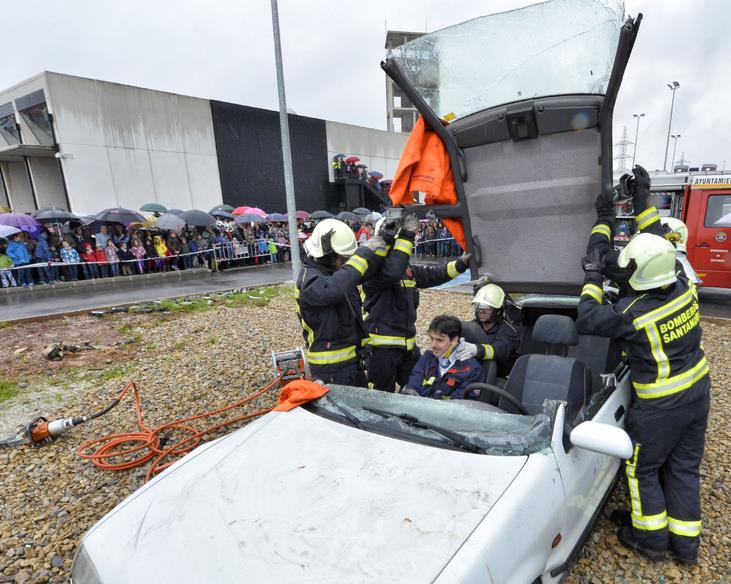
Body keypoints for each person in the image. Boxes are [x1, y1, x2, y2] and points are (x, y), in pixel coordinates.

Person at [576, 166, 710, 566]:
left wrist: (593, 275)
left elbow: (587, 317)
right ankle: (686, 548)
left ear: (638, 278)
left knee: (642, 468)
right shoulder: (683, 284)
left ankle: (648, 540)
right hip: (697, 392)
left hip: (660, 405)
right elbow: (656, 244)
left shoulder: (632, 314)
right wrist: (638, 201)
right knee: (684, 468)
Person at [363, 214, 472, 392]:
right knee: (380, 398)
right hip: (381, 350)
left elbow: (434, 274)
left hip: (407, 347)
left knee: (418, 389)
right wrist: (406, 235)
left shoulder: (408, 270)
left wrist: (460, 264)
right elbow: (392, 273)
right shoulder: (373, 270)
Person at [295, 218, 386, 386]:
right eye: (343, 259)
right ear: (327, 255)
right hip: (329, 369)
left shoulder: (337, 275)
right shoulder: (310, 281)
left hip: (351, 362)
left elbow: (363, 273)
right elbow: (333, 289)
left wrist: (386, 238)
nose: (346, 264)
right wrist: (363, 253)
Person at [402, 315, 482, 400]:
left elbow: (461, 404)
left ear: (454, 340)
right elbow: (414, 381)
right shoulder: (428, 357)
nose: (433, 345)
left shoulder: (472, 369)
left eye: (439, 340)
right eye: (432, 338)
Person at [454, 283, 521, 379]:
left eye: (486, 308)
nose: (481, 311)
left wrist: (476, 349)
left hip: (498, 378)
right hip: (472, 373)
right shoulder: (471, 327)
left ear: (498, 311)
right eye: (479, 307)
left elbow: (499, 350)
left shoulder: (510, 333)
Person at [660, 217, 701, 284]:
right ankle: (691, 278)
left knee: (676, 255)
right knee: (679, 254)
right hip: (680, 228)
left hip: (674, 229)